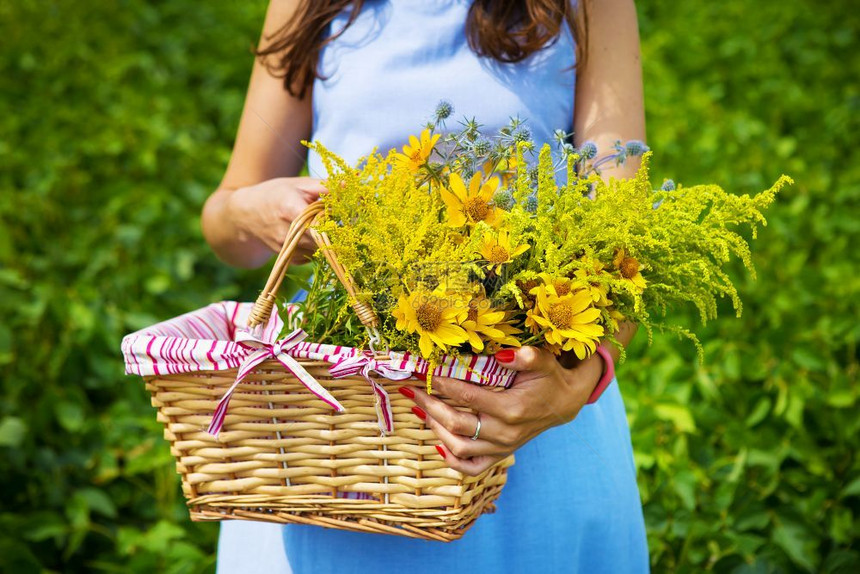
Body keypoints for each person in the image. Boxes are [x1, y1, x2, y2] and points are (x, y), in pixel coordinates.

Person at [202, 0, 649, 572]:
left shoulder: (588, 6)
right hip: (342, 422)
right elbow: (225, 222)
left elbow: (626, 243)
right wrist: (250, 211)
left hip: (529, 411)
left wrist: (580, 382)